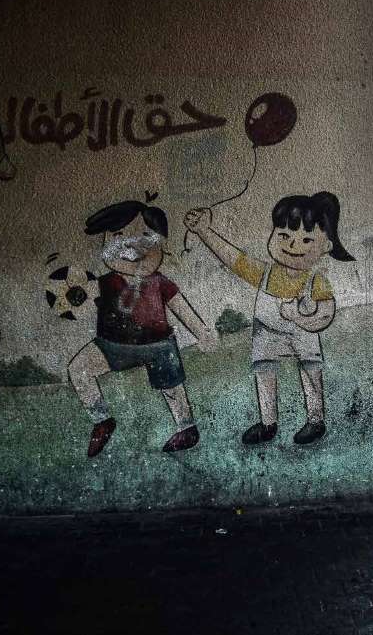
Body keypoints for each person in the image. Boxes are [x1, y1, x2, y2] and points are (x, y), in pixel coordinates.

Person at [185, 193, 353, 446]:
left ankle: (315, 420)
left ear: (326, 246)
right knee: (264, 371)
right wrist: (204, 231)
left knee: (310, 369)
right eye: (284, 235)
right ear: (272, 235)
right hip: (266, 332)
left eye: (307, 240)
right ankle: (268, 423)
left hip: (303, 333)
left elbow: (325, 314)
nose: (293, 246)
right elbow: (233, 259)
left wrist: (300, 318)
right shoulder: (265, 273)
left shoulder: (316, 280)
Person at [68, 197, 216, 457]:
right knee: (78, 369)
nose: (130, 245)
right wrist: (73, 296)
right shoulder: (104, 282)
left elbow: (181, 308)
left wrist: (202, 332)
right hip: (112, 345)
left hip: (158, 344)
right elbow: (81, 298)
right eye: (117, 235)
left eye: (145, 236)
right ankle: (102, 420)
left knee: (172, 386)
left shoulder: (159, 282)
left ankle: (187, 428)